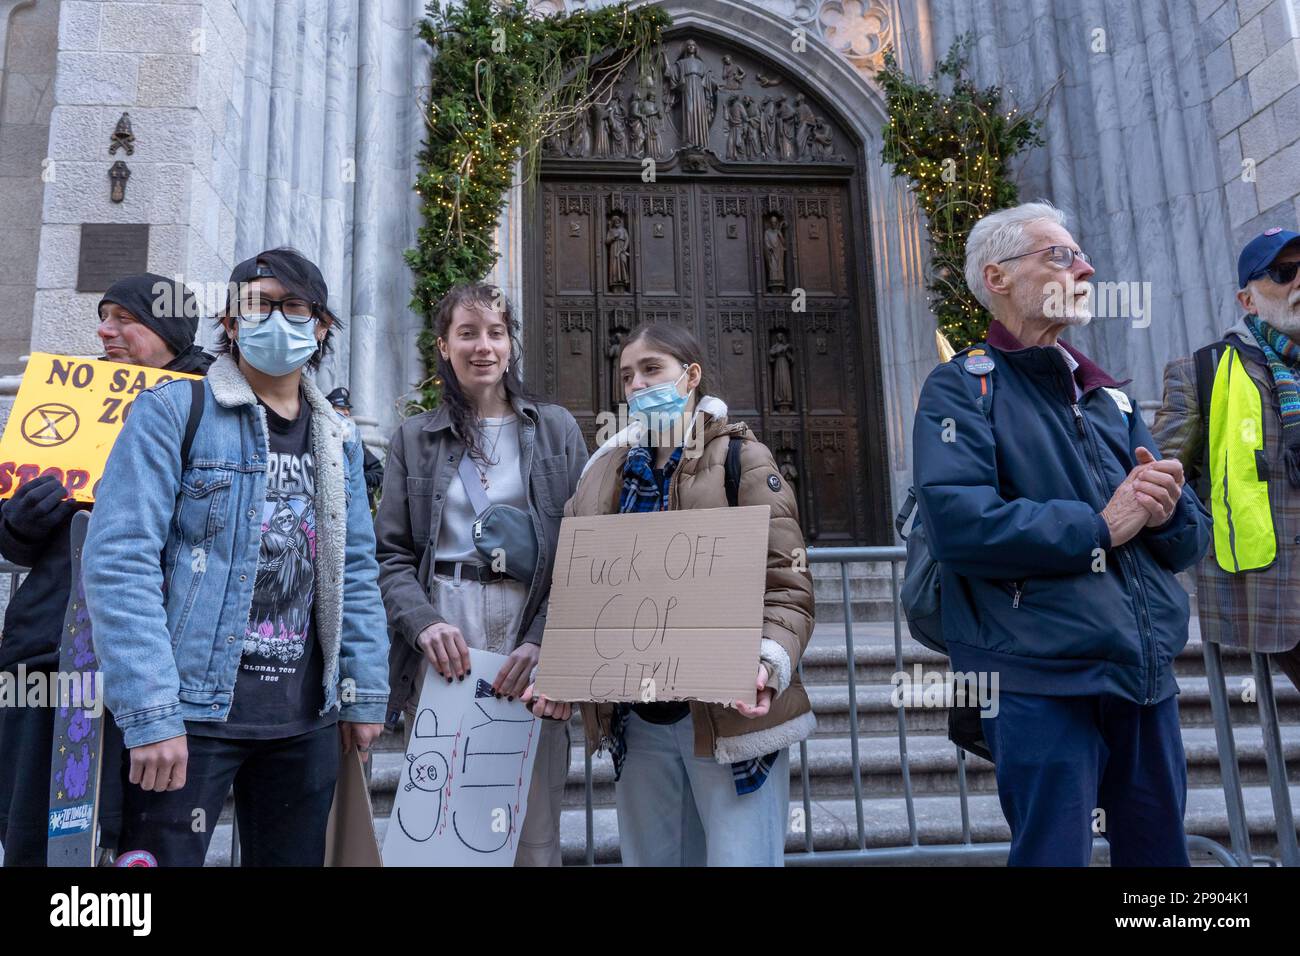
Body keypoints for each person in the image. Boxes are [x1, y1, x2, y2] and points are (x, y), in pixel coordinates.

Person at [913, 201, 1212, 866]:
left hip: (1142, 674)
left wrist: (1171, 511)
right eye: (1060, 256)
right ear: (997, 278)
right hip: (1039, 676)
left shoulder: (1110, 397)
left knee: (1161, 860)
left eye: (1078, 255)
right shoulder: (960, 390)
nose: (1087, 267)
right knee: (1054, 854)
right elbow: (962, 523)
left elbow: (1183, 542)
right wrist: (1098, 527)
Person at [81, 248, 390, 866]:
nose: (276, 319)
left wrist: (362, 691)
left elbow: (354, 568)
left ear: (322, 323)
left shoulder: (339, 438)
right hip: (193, 716)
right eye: (257, 304)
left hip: (304, 721)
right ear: (229, 322)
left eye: (293, 305)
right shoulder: (174, 410)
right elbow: (120, 560)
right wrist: (152, 713)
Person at [528, 323, 815, 867]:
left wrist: (768, 662)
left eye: (652, 369)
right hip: (639, 720)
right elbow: (578, 589)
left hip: (728, 716)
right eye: (627, 376)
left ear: (691, 375)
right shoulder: (603, 473)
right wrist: (561, 670)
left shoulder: (742, 460)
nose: (638, 385)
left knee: (740, 857)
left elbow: (788, 584)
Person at [0, 274, 211, 867]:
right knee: (42, 828)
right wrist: (20, 521)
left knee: (138, 838)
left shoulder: (212, 402)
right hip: (51, 650)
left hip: (154, 658)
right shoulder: (73, 400)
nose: (104, 330)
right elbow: (13, 545)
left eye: (123, 318)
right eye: (103, 316)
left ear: (167, 328)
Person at [374, 283, 587, 867]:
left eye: (495, 332)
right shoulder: (414, 440)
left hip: (528, 632)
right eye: (467, 333)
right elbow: (389, 554)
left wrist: (544, 640)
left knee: (531, 829)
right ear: (444, 345)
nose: (483, 346)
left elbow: (581, 552)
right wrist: (421, 625)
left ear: (511, 344)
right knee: (443, 825)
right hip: (449, 630)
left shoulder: (556, 430)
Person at [1152, 229, 1300, 692]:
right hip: (1278, 591)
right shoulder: (1204, 371)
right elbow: (1157, 480)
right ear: (1248, 299)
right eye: (1284, 273)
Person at [325, 386, 384, 507]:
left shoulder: (354, 440)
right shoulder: (318, 435)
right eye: (341, 408)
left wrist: (359, 480)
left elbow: (378, 472)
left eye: (347, 409)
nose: (346, 412)